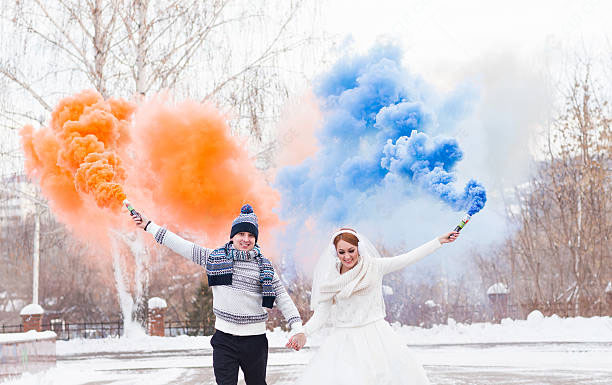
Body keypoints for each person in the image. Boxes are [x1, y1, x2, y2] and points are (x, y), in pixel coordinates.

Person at [130, 204, 306, 385]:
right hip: (224, 340)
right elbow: (183, 246)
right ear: (232, 236)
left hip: (255, 341)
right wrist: (149, 225)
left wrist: (298, 329)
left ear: (255, 239)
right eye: (241, 234)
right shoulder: (215, 258)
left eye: (251, 235)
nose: (246, 239)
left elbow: (282, 297)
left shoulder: (265, 267)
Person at [286, 228, 459, 385]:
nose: (347, 256)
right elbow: (322, 314)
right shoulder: (330, 278)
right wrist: (303, 332)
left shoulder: (374, 267)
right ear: (336, 253)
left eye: (351, 251)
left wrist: (438, 241)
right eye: (342, 252)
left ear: (359, 249)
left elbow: (407, 258)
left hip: (376, 337)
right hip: (344, 340)